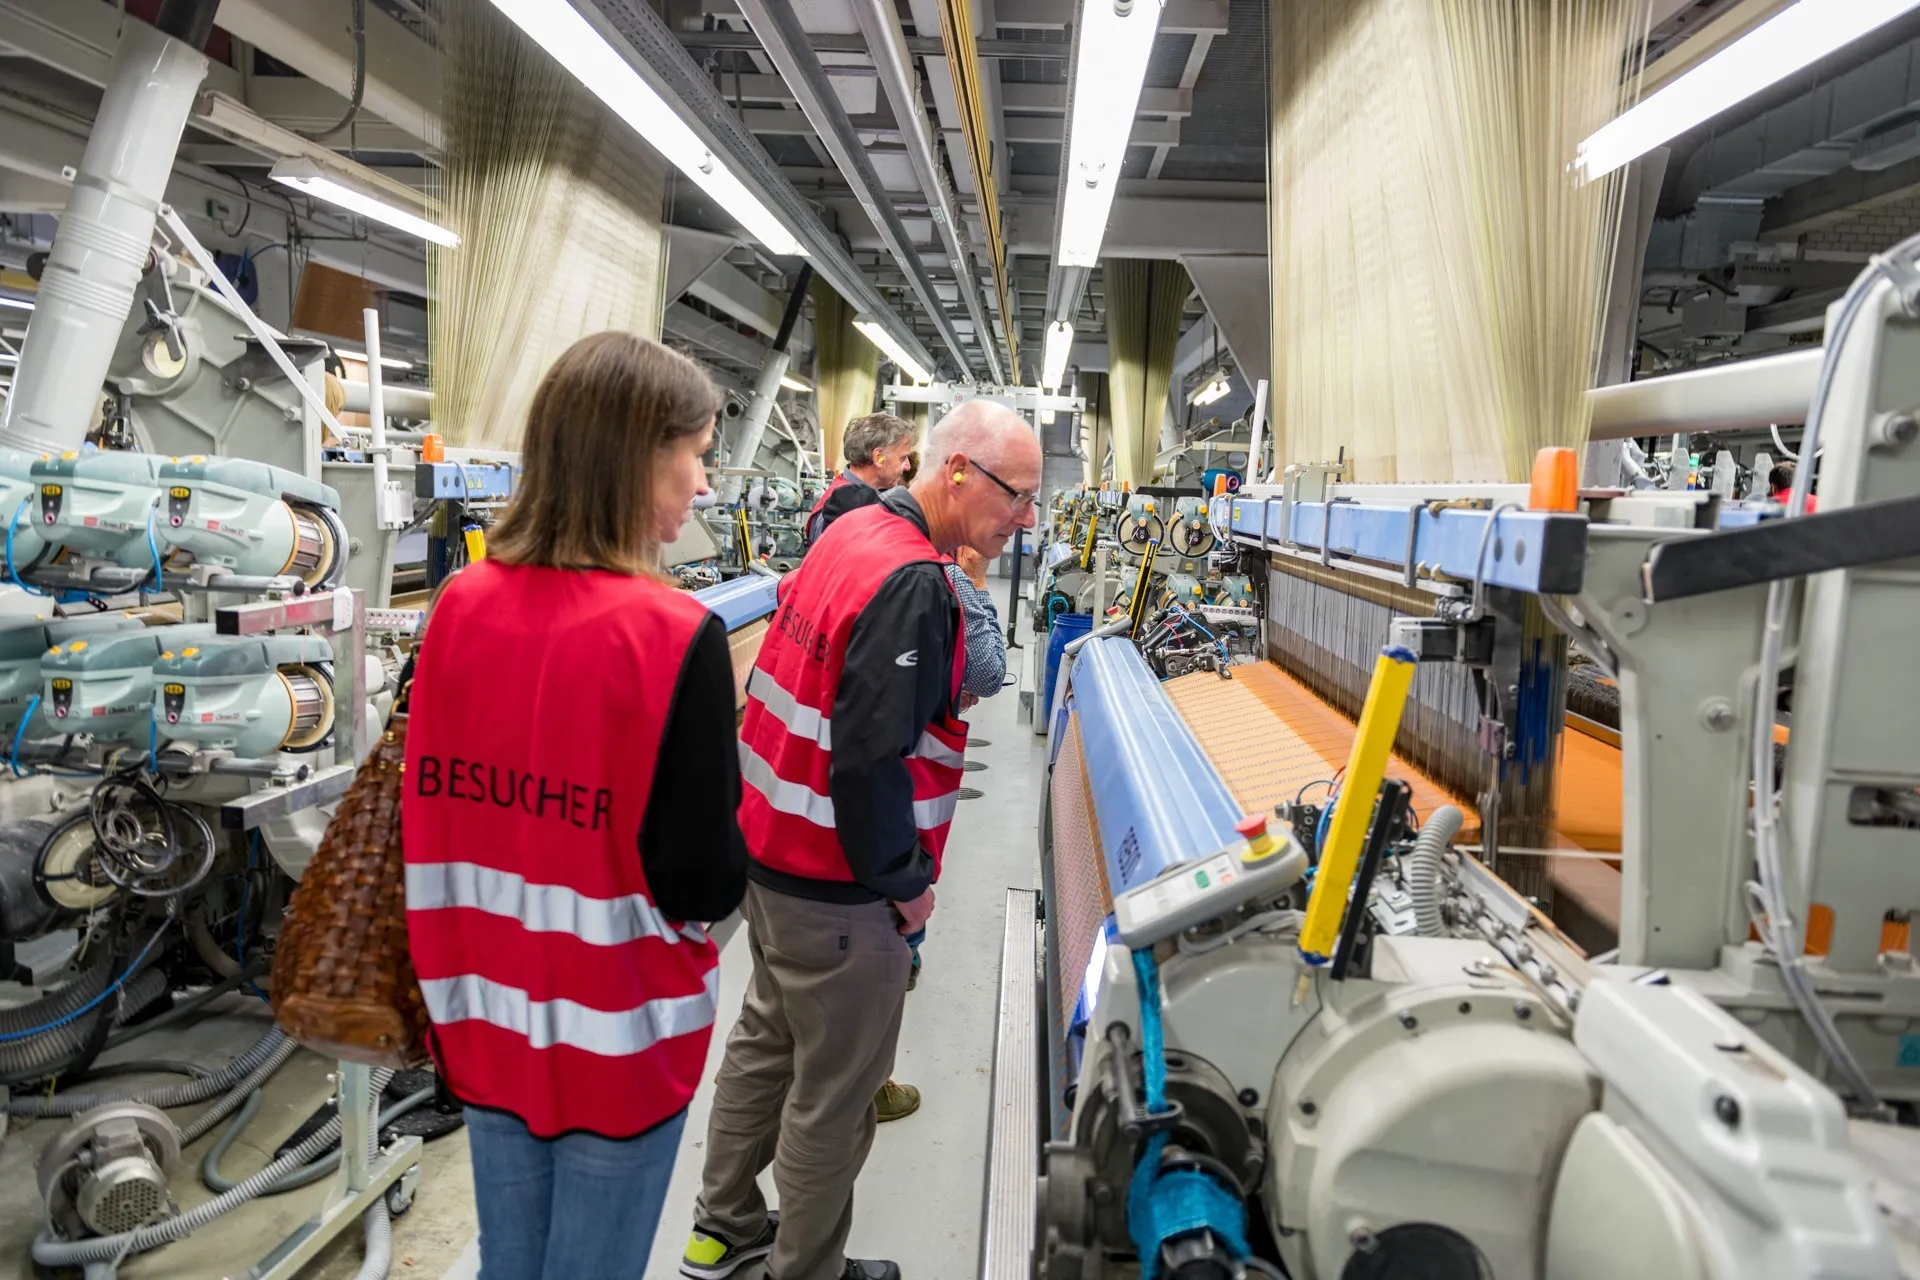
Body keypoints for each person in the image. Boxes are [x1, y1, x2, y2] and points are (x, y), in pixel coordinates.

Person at [404, 332, 748, 1280]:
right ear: (637, 458)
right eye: (696, 455)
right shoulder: (674, 636)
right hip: (617, 1039)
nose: (703, 483)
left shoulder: (458, 606)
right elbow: (704, 881)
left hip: (483, 1018)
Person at [681, 401, 1042, 1280]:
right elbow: (870, 758)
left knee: (764, 1046)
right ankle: (806, 1270)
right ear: (958, 471)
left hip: (771, 853)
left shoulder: (854, 530)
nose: (1026, 518)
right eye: (1018, 495)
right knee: (835, 1098)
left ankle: (719, 1230)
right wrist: (905, 883)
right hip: (840, 883)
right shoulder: (912, 580)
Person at [804, 412, 917, 544]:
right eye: (902, 458)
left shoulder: (876, 496)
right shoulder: (837, 508)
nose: (908, 466)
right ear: (879, 458)